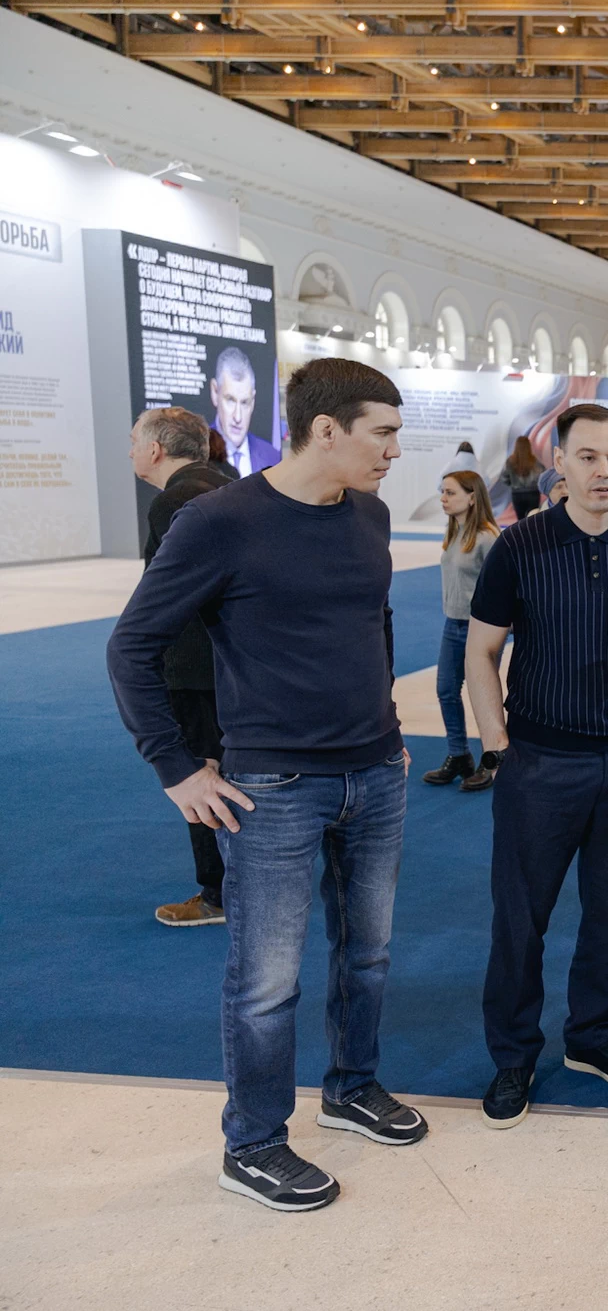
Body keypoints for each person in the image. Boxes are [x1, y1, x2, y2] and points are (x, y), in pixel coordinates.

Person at [107, 357, 425, 1214]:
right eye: (383, 433)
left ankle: (351, 1086)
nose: (395, 451)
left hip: (375, 772)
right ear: (326, 429)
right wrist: (175, 765)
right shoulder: (220, 521)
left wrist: (388, 724)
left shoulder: (369, 515)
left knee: (369, 952)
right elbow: (132, 645)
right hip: (273, 785)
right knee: (266, 979)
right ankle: (251, 1142)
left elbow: (374, 621)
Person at [465, 403, 608, 1129]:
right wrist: (497, 743)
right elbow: (481, 651)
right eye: (588, 457)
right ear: (558, 462)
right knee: (520, 919)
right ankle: (513, 1055)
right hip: (540, 761)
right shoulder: (520, 546)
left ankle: (592, 1036)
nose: (604, 471)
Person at [127, 405, 236, 927]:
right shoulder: (227, 485)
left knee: (201, 777)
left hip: (195, 669)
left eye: (133, 441)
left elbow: (166, 601)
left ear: (155, 449)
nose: (130, 451)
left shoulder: (173, 501)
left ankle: (218, 894)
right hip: (232, 666)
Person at [424, 470, 501, 791]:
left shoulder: (488, 538)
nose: (443, 498)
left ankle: (491, 760)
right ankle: (459, 755)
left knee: (484, 695)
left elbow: (502, 588)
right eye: (442, 492)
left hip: (480, 628)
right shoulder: (455, 532)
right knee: (446, 690)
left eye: (450, 492)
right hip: (452, 624)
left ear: (472, 497)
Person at [208, 346, 277, 476]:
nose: (238, 417)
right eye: (230, 400)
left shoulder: (272, 457)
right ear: (215, 392)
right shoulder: (196, 454)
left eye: (245, 402)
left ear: (253, 401)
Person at [500, 436, 543, 522]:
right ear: (529, 446)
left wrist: (512, 483)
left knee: (520, 522)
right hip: (533, 493)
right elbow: (542, 475)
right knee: (533, 520)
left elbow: (504, 477)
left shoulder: (510, 461)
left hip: (517, 494)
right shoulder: (534, 461)